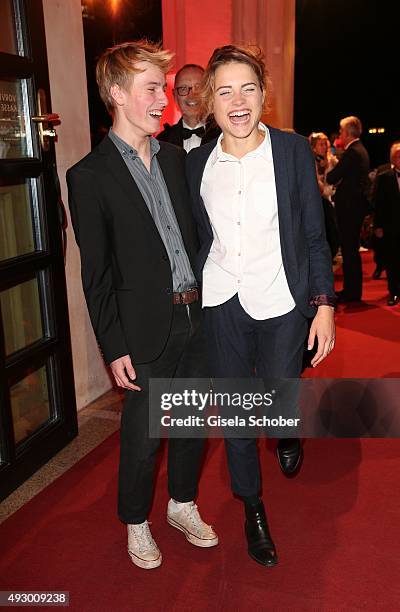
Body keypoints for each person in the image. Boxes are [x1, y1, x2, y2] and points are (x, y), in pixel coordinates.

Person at [66, 41, 218, 571]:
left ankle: (181, 504)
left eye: (164, 87)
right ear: (116, 94)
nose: (165, 100)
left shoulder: (177, 159)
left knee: (193, 421)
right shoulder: (89, 177)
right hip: (143, 329)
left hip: (196, 315)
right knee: (143, 435)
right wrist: (115, 346)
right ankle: (136, 521)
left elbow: (197, 239)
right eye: (152, 88)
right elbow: (97, 275)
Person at [186, 45, 336, 567]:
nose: (238, 100)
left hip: (280, 298)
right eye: (224, 90)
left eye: (248, 87)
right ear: (211, 101)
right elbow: (194, 238)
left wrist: (323, 304)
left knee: (277, 394)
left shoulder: (293, 152)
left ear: (264, 94)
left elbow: (315, 237)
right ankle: (252, 509)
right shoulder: (197, 164)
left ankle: (286, 425)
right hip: (223, 299)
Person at [326, 116, 370, 303]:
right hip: (355, 208)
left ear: (348, 132)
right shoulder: (360, 150)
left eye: (341, 131)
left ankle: (352, 292)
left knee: (349, 250)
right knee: (351, 249)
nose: (340, 135)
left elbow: (332, 177)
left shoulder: (352, 152)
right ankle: (352, 290)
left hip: (350, 209)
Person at [157, 63, 220, 150]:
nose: (192, 95)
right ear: (175, 96)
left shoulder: (224, 135)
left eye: (199, 87)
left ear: (208, 93)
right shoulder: (162, 141)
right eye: (183, 89)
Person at [373, 142, 400, 305]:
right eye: (397, 155)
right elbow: (379, 204)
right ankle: (394, 292)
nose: (399, 157)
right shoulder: (384, 177)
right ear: (392, 158)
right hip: (391, 227)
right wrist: (378, 226)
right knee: (392, 261)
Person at [309, 131, 339, 259]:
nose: (324, 147)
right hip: (318, 200)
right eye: (320, 144)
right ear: (314, 147)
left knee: (333, 229)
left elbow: (338, 178)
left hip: (332, 199)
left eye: (325, 144)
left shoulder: (333, 160)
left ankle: (331, 253)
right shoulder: (311, 161)